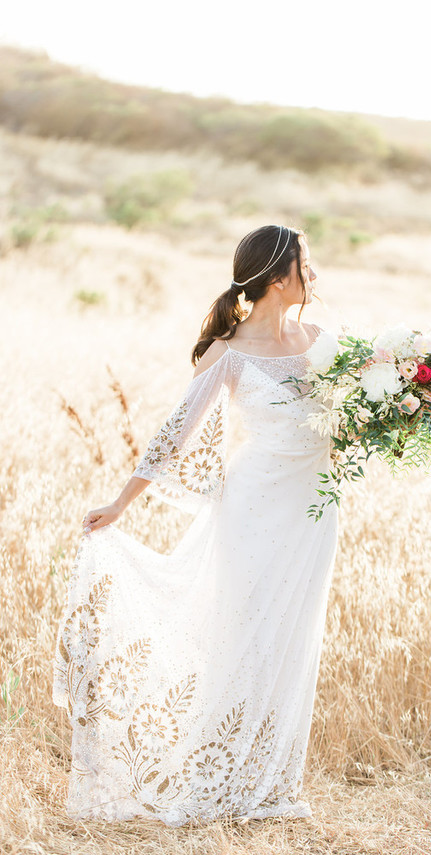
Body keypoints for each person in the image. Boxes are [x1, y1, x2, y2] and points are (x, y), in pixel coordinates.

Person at [52, 224, 339, 827]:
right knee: (244, 639)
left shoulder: (320, 340)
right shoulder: (228, 352)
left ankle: (269, 781)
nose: (312, 275)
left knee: (293, 641)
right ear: (278, 275)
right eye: (305, 265)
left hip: (314, 510)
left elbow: (348, 417)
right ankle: (216, 779)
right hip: (254, 509)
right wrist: (122, 503)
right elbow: (173, 432)